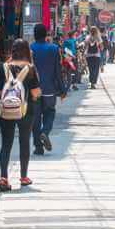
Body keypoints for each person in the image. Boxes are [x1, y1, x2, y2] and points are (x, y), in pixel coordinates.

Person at [0, 39, 42, 191]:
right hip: (25, 110)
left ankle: (4, 178)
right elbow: (36, 92)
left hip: (6, 110)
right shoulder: (30, 68)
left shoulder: (5, 67)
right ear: (27, 51)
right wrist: (34, 97)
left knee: (6, 144)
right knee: (24, 142)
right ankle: (23, 177)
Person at [31, 24, 65, 155]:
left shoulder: (30, 48)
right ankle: (45, 132)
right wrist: (62, 90)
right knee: (50, 112)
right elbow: (58, 71)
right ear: (46, 34)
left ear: (34, 34)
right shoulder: (54, 48)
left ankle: (38, 147)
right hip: (50, 88)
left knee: (35, 119)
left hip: (34, 90)